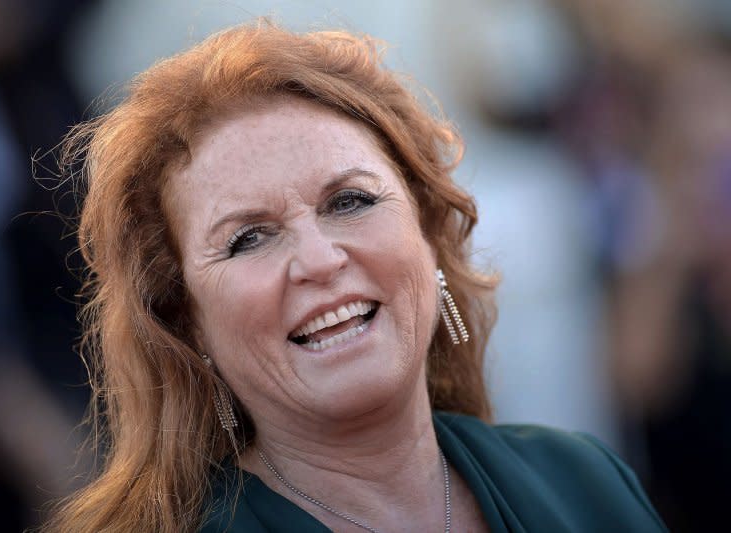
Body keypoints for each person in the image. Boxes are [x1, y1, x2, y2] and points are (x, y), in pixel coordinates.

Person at [44, 21, 668, 533]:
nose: (319, 260)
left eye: (350, 202)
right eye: (248, 239)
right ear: (187, 322)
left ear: (427, 233)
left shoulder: (584, 483)